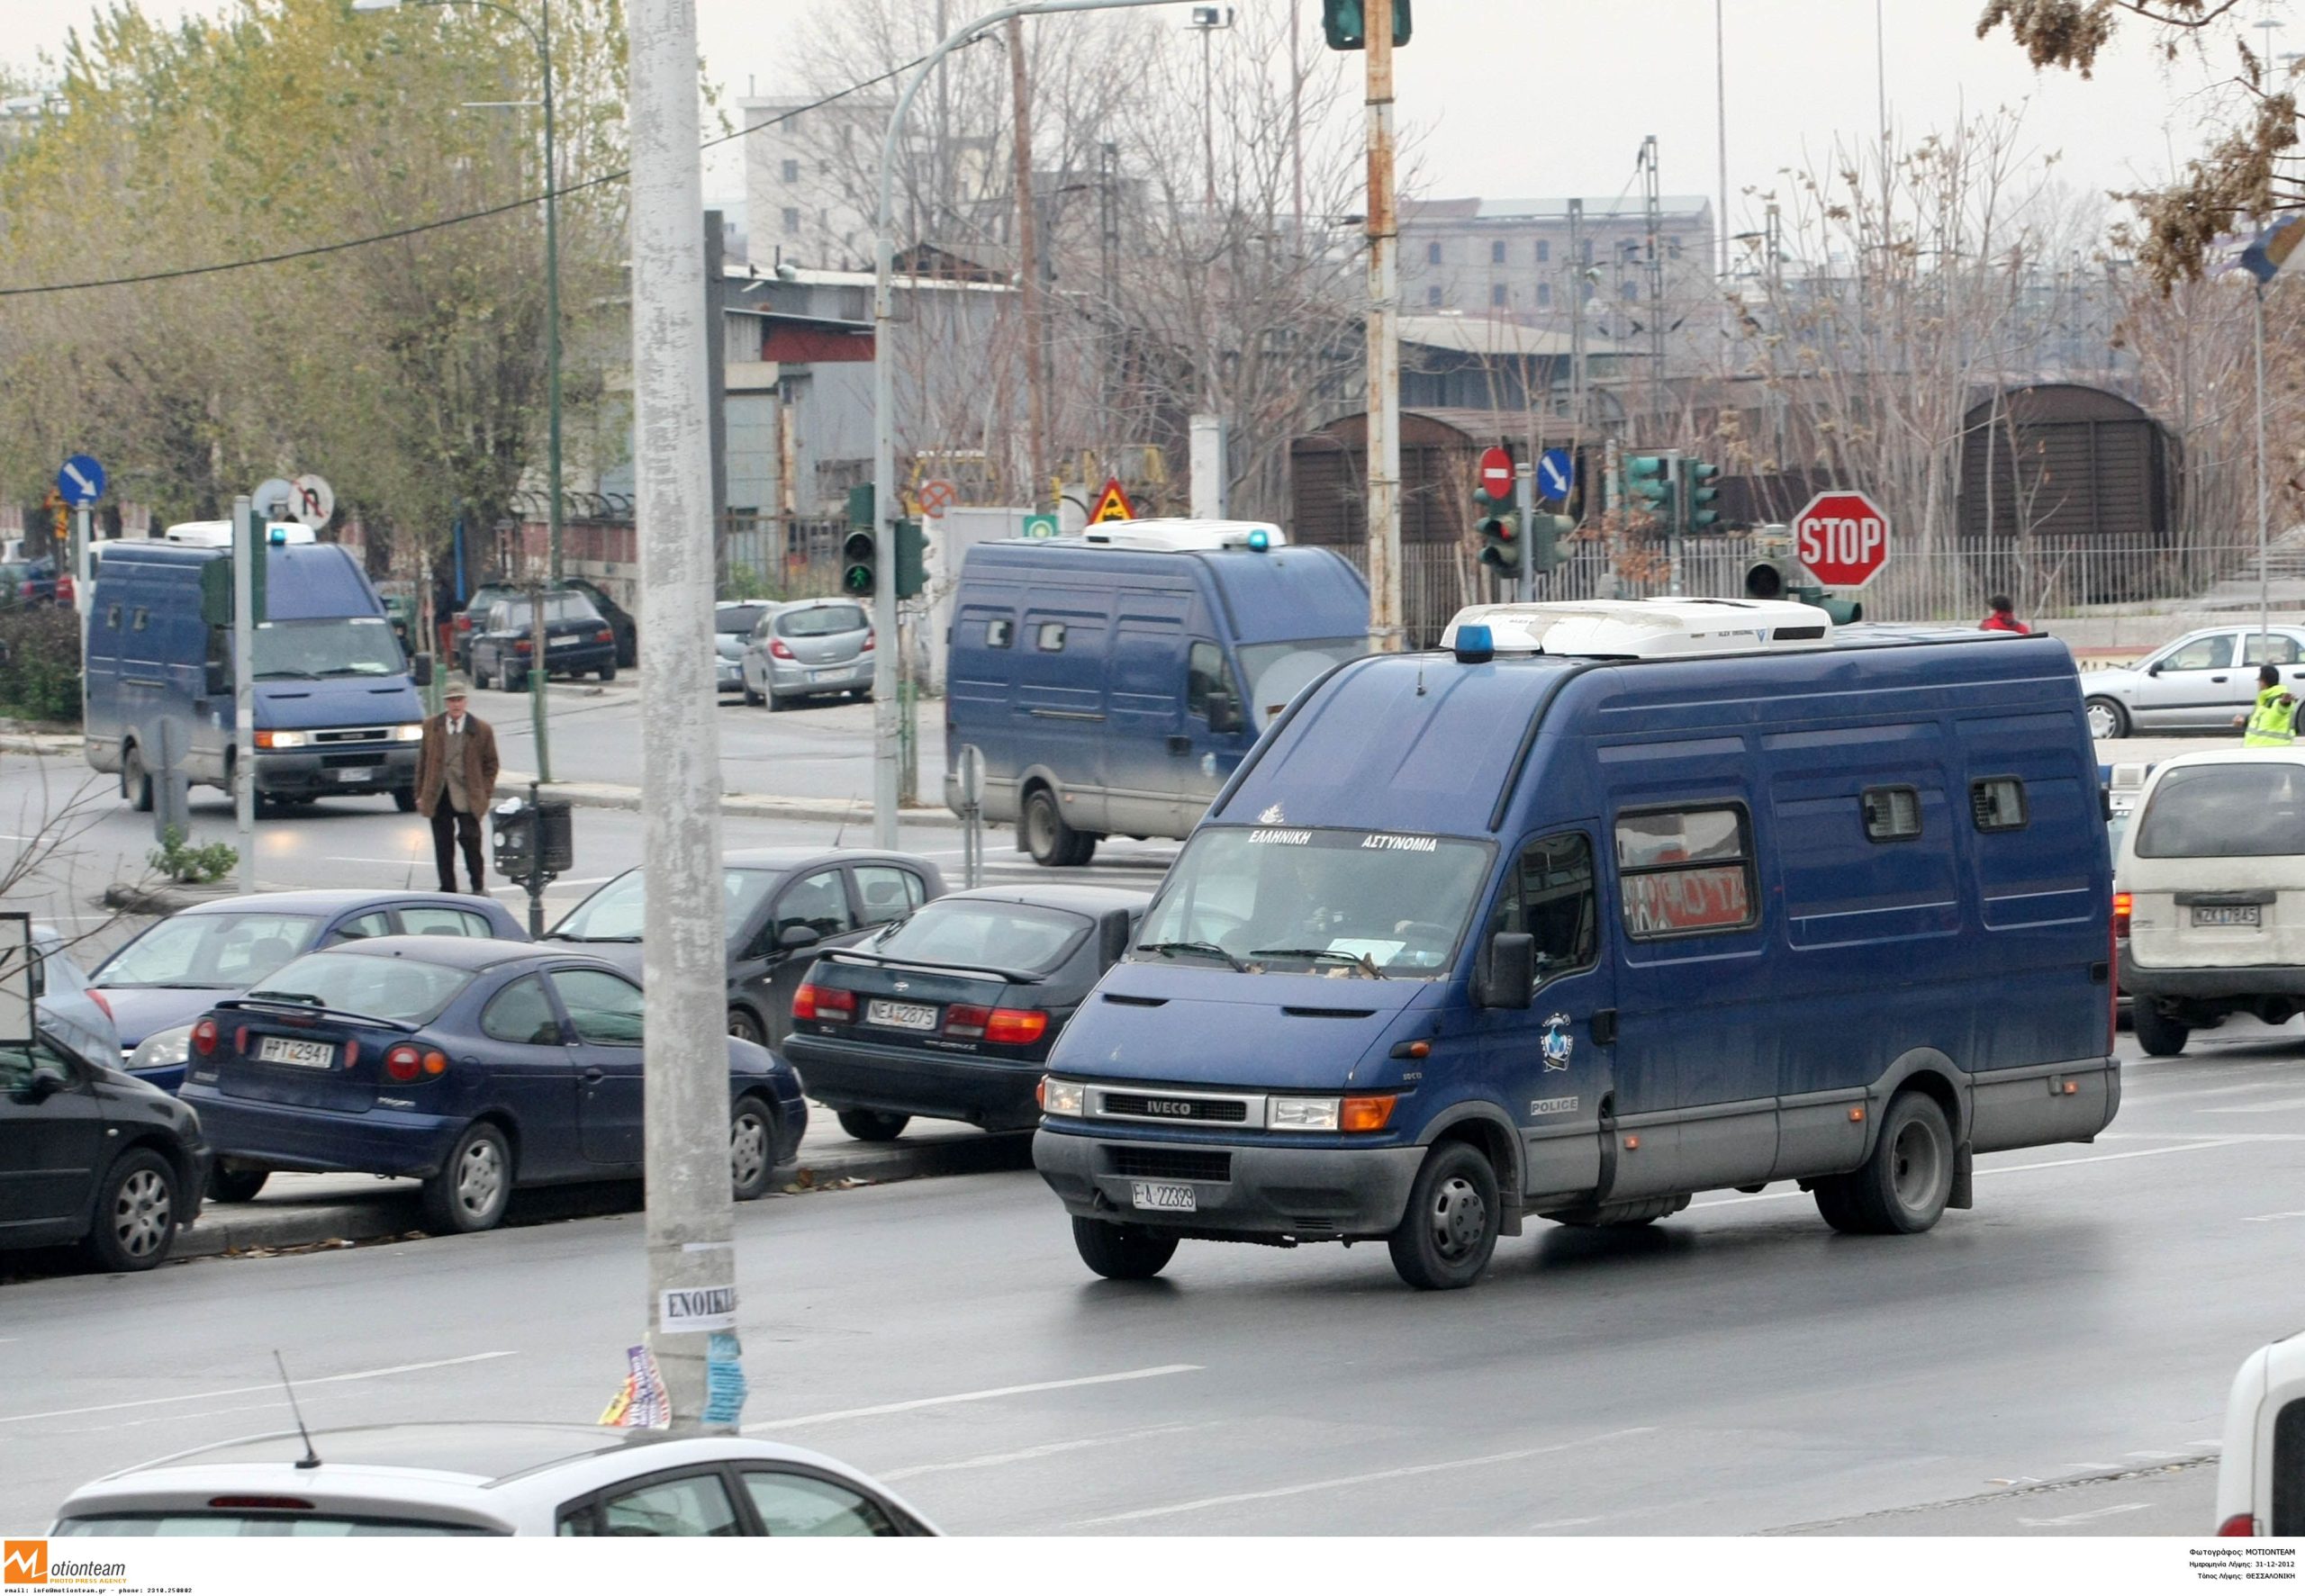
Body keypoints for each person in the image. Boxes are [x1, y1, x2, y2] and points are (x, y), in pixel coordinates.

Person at [414, 677, 500, 894]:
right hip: (439, 793)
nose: (456, 704)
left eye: (459, 699)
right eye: (452, 700)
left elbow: (491, 764)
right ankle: (447, 888)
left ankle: (478, 886)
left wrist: (484, 793)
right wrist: (420, 793)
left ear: (466, 702)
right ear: (446, 702)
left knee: (471, 840)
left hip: (468, 795)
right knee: (443, 845)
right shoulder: (432, 726)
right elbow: (422, 762)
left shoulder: (481, 729)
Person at [2236, 663, 2299, 746]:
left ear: (2263, 682)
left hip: (2271, 752)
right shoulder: (2264, 701)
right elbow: (2262, 721)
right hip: (2257, 752)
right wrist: (2244, 721)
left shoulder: (2276, 700)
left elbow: (2282, 708)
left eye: (2259, 680)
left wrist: (2285, 703)